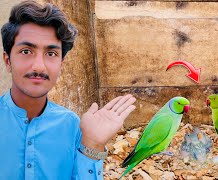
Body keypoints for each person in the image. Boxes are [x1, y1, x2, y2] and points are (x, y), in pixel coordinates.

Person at [0, 1, 136, 179]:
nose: (39, 66)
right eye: (26, 51)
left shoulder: (72, 125)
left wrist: (92, 144)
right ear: (8, 60)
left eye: (51, 54)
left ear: (61, 65)